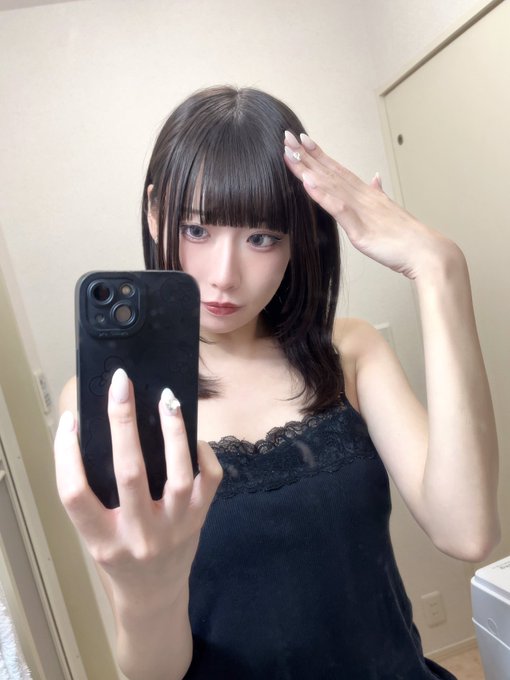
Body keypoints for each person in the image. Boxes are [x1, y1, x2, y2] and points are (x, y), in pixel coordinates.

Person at [55, 85, 500, 680]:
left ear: (298, 237)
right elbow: (154, 671)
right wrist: (147, 589)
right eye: (196, 229)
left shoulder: (350, 351)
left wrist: (438, 264)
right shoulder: (115, 404)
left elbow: (467, 531)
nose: (224, 275)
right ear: (156, 213)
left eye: (261, 237)